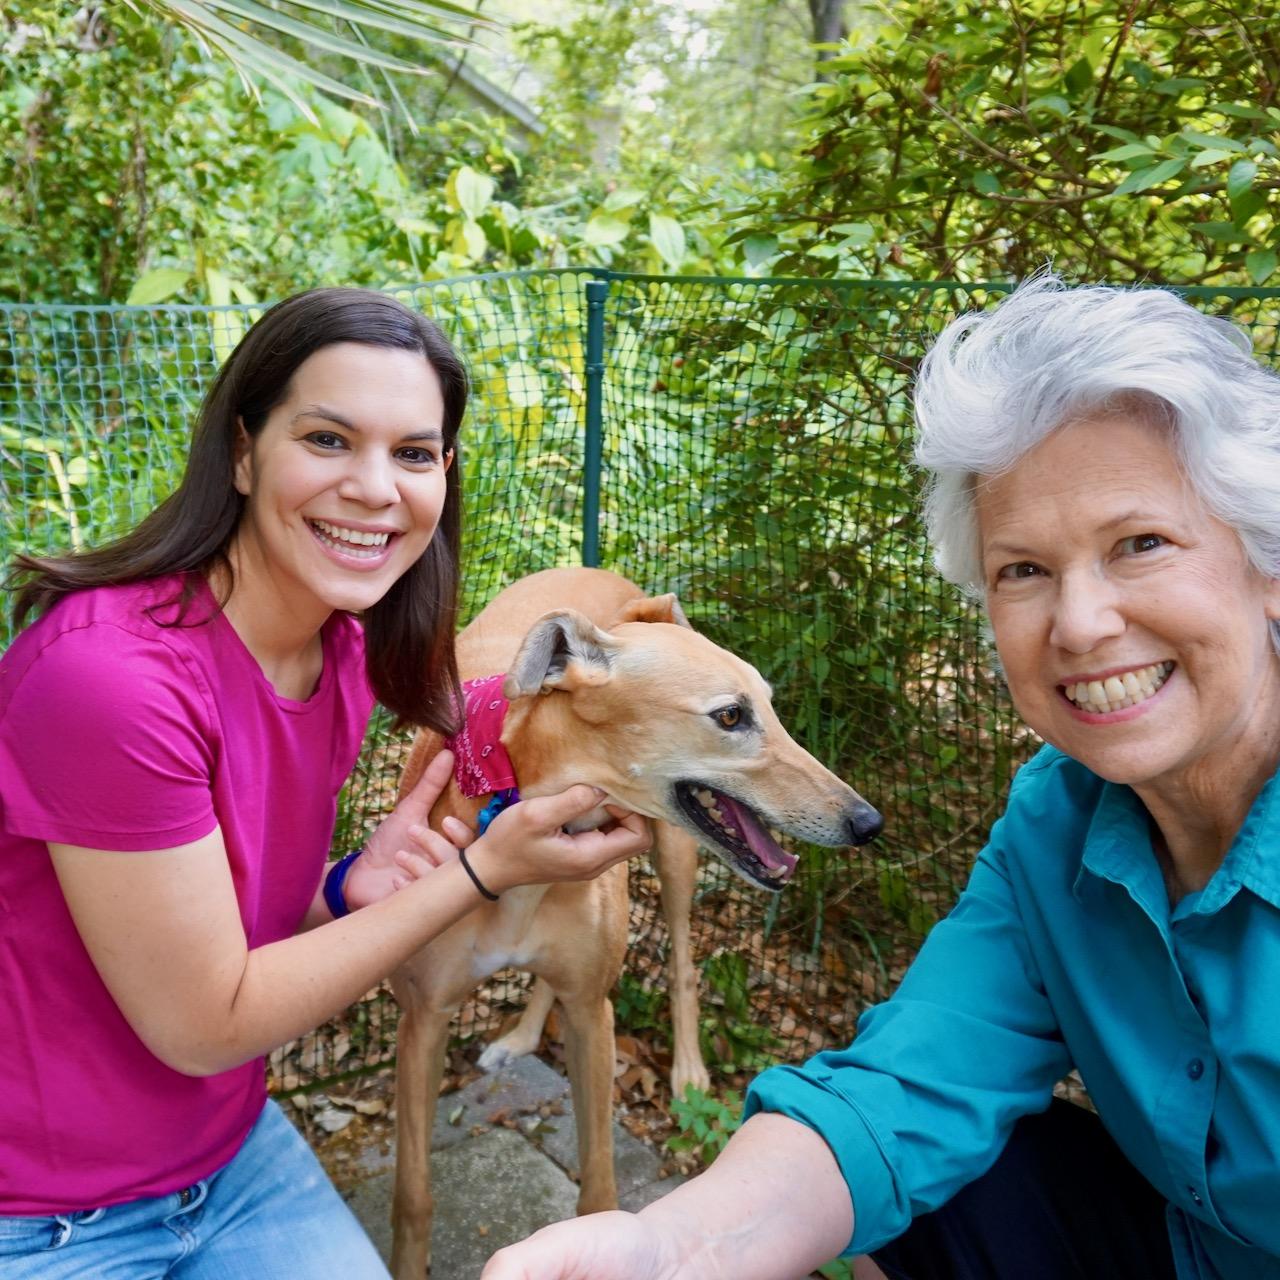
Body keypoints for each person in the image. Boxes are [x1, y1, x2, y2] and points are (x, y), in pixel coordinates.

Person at [479, 273, 1280, 1280]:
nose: (1078, 623)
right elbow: (908, 1086)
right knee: (921, 1189)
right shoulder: (1054, 819)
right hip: (1174, 1238)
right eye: (1020, 568)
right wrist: (665, 1242)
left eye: (1140, 543)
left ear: (1265, 561)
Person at [0, 287, 651, 1279]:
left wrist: (347, 886)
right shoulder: (110, 682)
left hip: (224, 1158)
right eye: (328, 438)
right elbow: (202, 1021)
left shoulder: (339, 651)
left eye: (414, 453)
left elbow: (223, 922)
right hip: (41, 1212)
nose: (374, 487)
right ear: (243, 449)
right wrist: (472, 875)